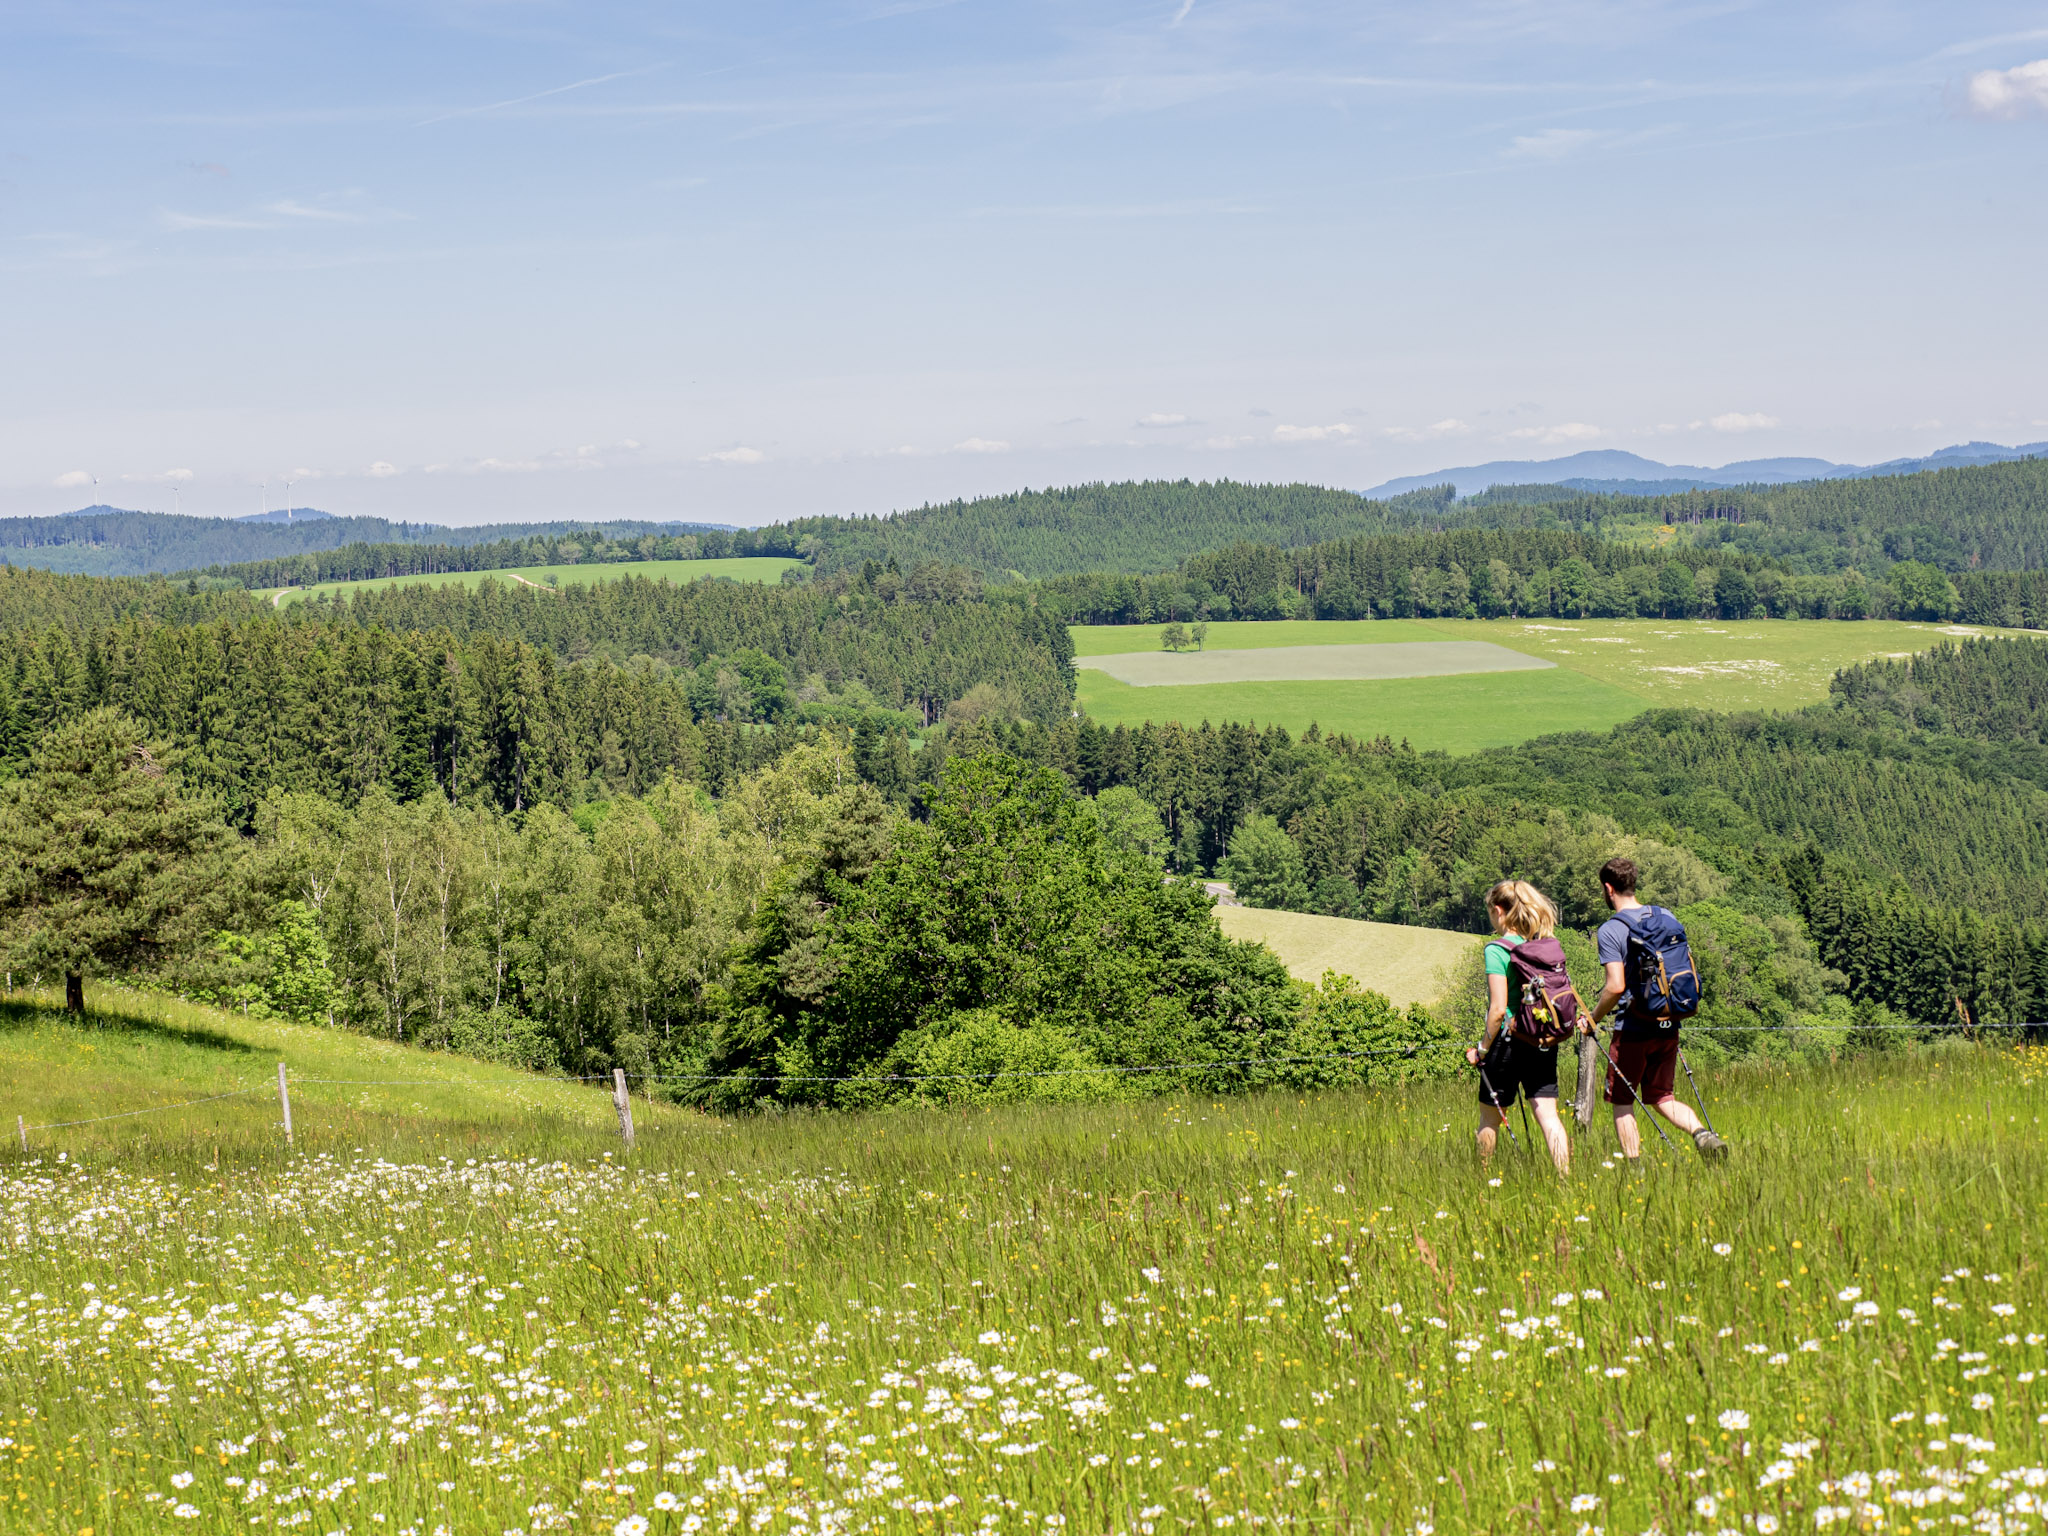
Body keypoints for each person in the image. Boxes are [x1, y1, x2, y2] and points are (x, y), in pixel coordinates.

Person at [1588, 855, 1728, 1161]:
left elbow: (1615, 986)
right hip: (1668, 1021)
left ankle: (1635, 1168)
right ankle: (1702, 1135)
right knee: (1663, 1096)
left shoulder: (1610, 930)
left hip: (1632, 1029)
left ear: (1608, 889)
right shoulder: (1665, 916)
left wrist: (1593, 1018)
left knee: (1623, 1100)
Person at [1464, 880, 1574, 1176]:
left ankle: (1483, 1179)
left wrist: (1482, 1050)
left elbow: (1498, 1009)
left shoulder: (1496, 949)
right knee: (1549, 1117)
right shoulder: (1541, 946)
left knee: (1490, 1118)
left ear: (1499, 911)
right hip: (1540, 1039)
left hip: (1507, 1043)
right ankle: (1565, 1179)